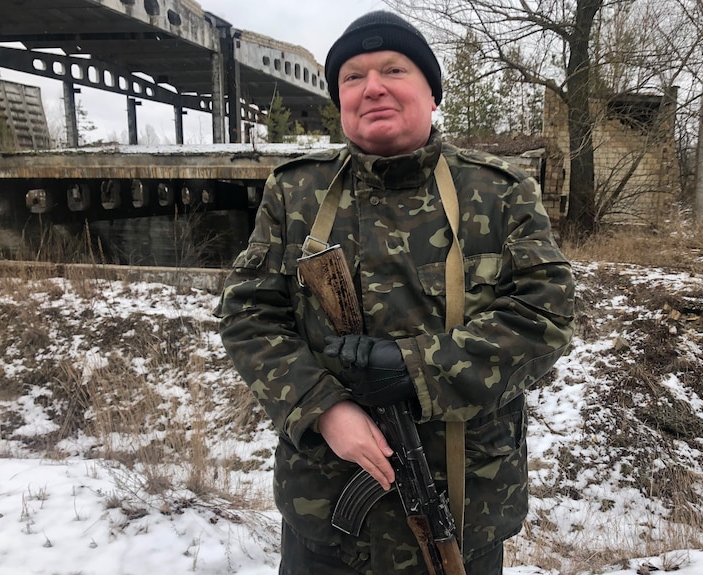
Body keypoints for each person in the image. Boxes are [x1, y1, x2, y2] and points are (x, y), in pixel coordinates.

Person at [217, 10, 575, 574]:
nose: (373, 88)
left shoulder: (497, 192)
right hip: (325, 506)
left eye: (393, 69)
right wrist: (325, 409)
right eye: (353, 77)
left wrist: (418, 370)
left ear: (431, 93)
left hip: (462, 505)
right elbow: (249, 315)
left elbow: (545, 314)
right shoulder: (296, 192)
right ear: (339, 101)